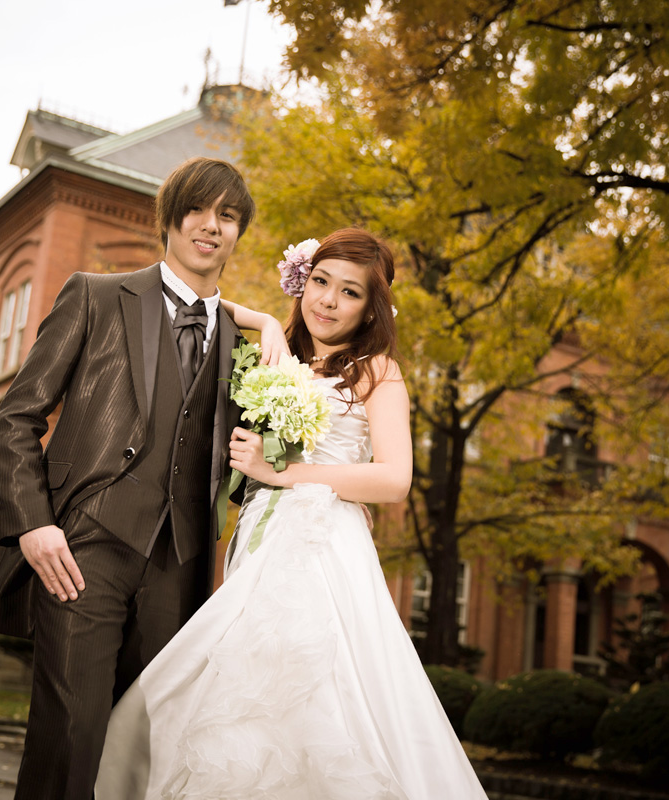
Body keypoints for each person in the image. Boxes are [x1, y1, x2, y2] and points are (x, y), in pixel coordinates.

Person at [95, 227, 489, 799]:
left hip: (322, 544)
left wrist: (284, 474)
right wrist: (268, 321)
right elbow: (198, 299)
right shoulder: (275, 356)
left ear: (371, 307)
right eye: (320, 282)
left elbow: (394, 479)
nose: (328, 300)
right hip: (261, 533)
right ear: (302, 281)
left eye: (350, 293)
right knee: (238, 683)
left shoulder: (378, 372)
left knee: (313, 689)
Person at [0, 156, 287, 800]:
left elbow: (251, 464)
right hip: (84, 551)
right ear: (169, 218)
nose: (210, 226)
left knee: (142, 748)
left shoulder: (245, 343)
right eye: (197, 209)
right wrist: (33, 523)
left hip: (181, 565)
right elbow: (16, 417)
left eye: (227, 215)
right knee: (72, 734)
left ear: (239, 232)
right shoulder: (95, 295)